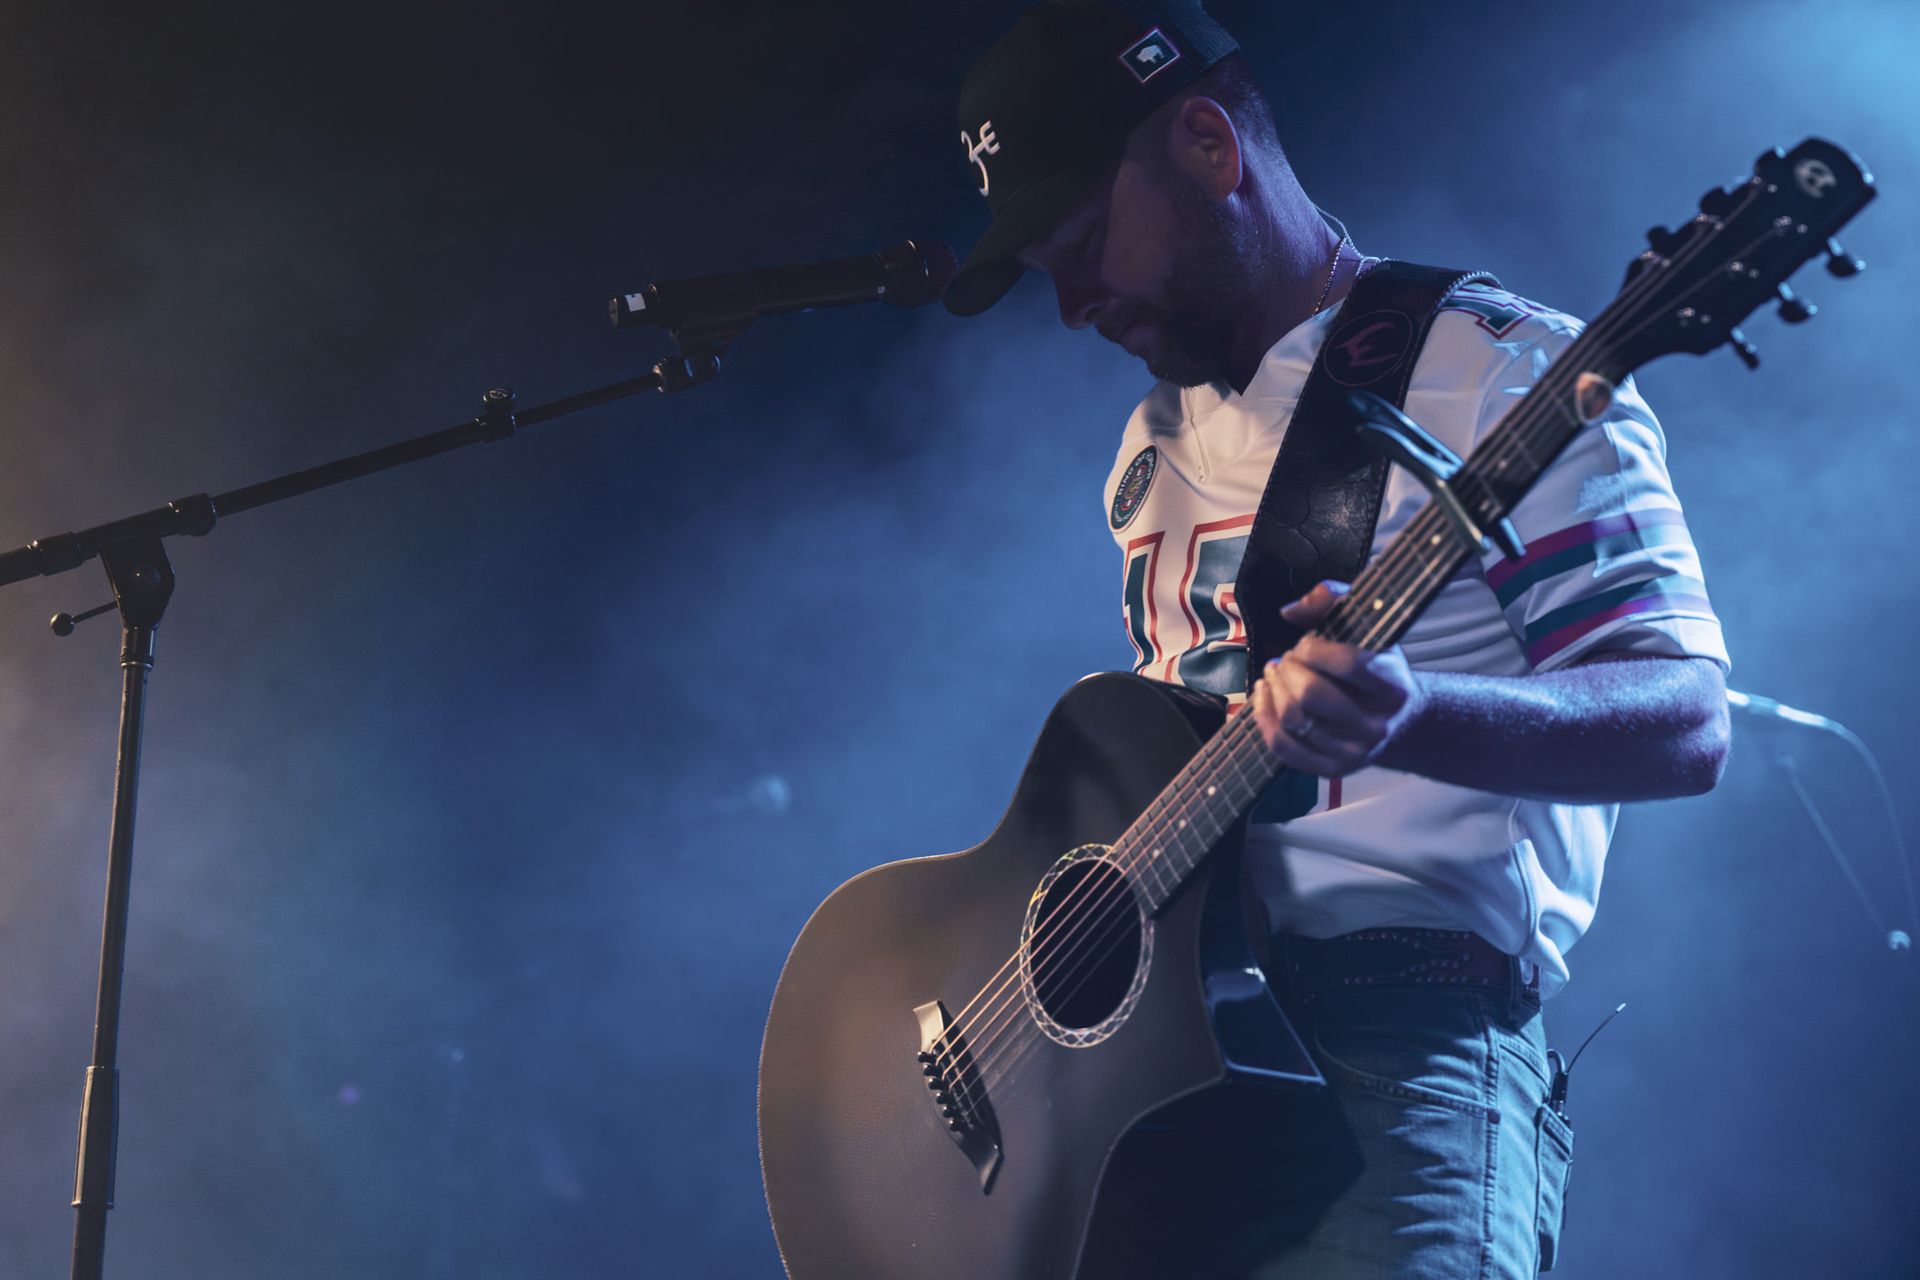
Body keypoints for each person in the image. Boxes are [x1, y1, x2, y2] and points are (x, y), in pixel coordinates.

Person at [943, 2, 1732, 1276]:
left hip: (1401, 1054)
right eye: (1046, 269)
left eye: (1087, 243)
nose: (1075, 304)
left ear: (1208, 144)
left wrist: (1419, 714)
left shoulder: (1496, 368)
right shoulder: (1144, 451)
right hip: (1163, 1081)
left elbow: (1686, 717)